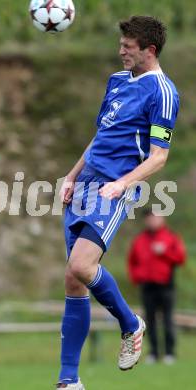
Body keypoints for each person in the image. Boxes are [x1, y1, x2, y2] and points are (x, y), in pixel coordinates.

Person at [58, 16, 179, 389]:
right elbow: (101, 135)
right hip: (85, 183)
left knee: (81, 265)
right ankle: (69, 380)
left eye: (128, 46)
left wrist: (121, 185)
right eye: (121, 44)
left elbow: (159, 156)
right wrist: (72, 174)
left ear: (150, 50)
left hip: (113, 186)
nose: (121, 50)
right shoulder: (117, 81)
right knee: (73, 279)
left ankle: (130, 323)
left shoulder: (163, 92)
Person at [128, 209, 186, 364]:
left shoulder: (171, 237)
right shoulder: (140, 240)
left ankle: (169, 353)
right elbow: (132, 261)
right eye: (149, 218)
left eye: (155, 217)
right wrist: (136, 278)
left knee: (168, 319)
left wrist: (164, 252)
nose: (152, 221)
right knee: (150, 321)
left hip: (166, 285)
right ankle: (153, 352)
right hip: (147, 286)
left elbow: (181, 258)